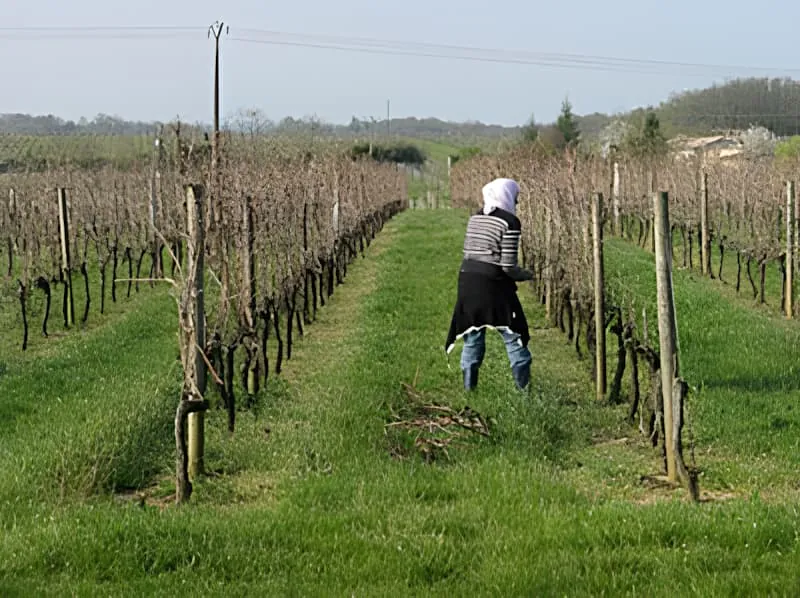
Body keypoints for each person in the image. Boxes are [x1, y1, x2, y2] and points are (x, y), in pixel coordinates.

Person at [444, 178, 533, 391]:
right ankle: (524, 393)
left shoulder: (474, 217)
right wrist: (528, 275)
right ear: (507, 196)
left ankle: (469, 391)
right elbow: (507, 266)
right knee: (514, 335)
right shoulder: (510, 222)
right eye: (516, 198)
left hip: (466, 280)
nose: (517, 202)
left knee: (472, 335)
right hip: (492, 283)